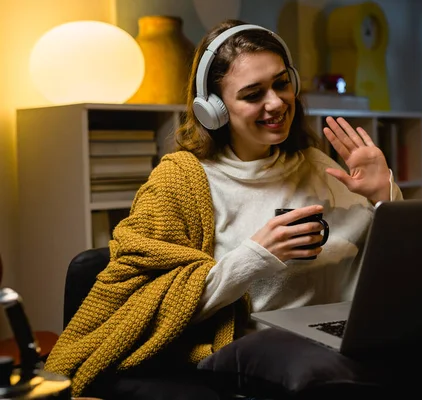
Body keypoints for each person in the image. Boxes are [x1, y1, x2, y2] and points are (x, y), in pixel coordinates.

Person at [43, 19, 403, 397]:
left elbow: (391, 273)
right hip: (253, 347)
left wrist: (384, 196)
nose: (277, 103)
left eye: (282, 83)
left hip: (336, 334)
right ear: (212, 109)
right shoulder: (180, 182)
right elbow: (149, 303)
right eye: (252, 94)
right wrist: (255, 255)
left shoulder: (318, 166)